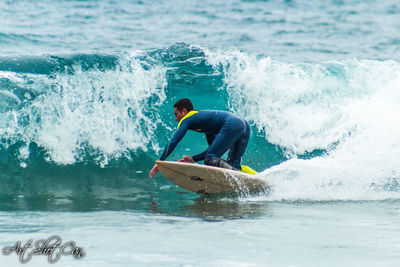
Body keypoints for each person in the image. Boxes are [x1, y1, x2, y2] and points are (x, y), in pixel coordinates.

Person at [149, 98, 255, 178]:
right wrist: (193, 159)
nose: (176, 119)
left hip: (233, 124)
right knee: (232, 164)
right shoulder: (206, 123)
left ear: (184, 111)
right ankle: (255, 176)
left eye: (176, 114)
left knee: (210, 159)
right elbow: (211, 150)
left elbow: (174, 140)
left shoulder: (187, 119)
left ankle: (237, 175)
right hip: (243, 125)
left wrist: (160, 161)